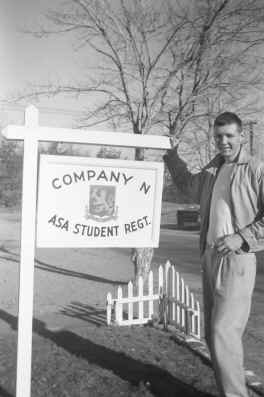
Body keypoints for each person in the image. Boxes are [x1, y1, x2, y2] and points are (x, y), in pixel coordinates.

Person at [163, 112, 263, 397]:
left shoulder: (256, 168)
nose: (224, 141)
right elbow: (186, 185)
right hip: (209, 257)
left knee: (223, 332)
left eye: (230, 135)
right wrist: (171, 155)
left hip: (238, 259)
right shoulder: (213, 169)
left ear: (242, 136)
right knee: (212, 334)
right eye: (219, 136)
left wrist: (240, 237)